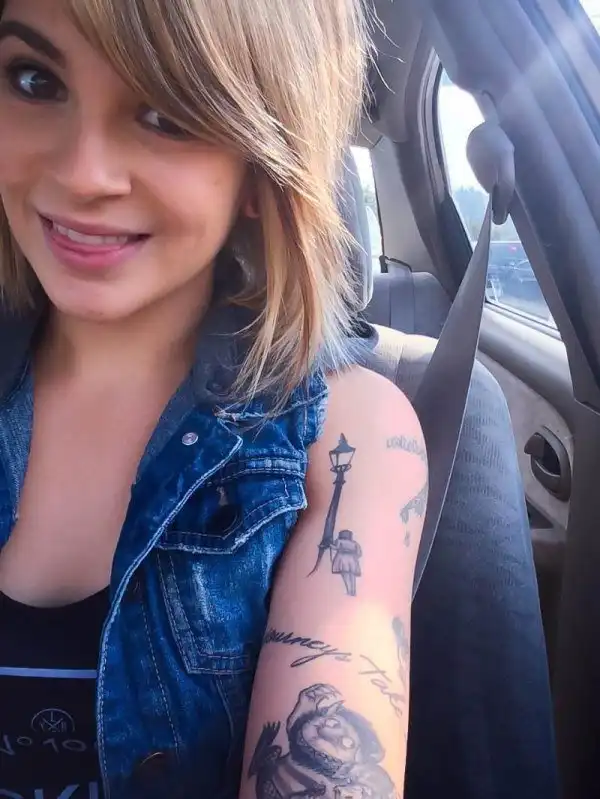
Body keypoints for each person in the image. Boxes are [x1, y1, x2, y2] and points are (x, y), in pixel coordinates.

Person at [0, 1, 428, 797]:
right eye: (34, 80)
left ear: (261, 170)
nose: (83, 172)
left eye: (165, 113)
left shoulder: (345, 433)